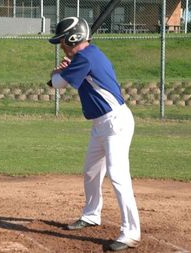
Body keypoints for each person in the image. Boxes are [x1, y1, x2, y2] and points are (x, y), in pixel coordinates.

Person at [47, 17, 141, 251]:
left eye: (62, 41)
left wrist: (59, 72)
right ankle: (91, 214)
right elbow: (60, 80)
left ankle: (130, 232)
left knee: (118, 176)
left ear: (72, 38)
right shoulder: (86, 56)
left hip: (115, 123)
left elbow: (55, 83)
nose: (61, 46)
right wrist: (64, 70)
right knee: (91, 172)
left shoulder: (86, 57)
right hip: (101, 124)